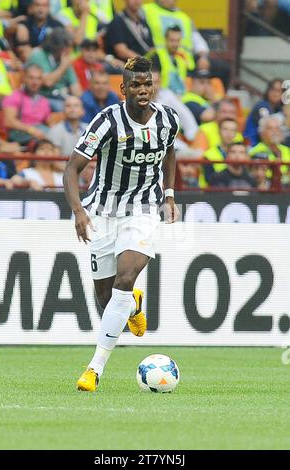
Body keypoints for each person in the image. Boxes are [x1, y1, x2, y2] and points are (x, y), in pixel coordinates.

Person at [63, 56, 180, 392]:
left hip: (143, 209)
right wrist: (78, 211)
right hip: (102, 211)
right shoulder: (106, 122)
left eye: (147, 84)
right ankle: (133, 303)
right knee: (106, 294)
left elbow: (169, 151)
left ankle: (94, 369)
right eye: (136, 85)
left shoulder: (168, 119)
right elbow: (71, 169)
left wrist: (168, 194)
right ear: (123, 88)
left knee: (125, 279)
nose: (143, 90)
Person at [27, 27, 82, 112]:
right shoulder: (38, 56)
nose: (69, 50)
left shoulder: (64, 59)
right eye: (67, 47)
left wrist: (78, 101)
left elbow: (77, 90)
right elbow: (47, 82)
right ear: (58, 46)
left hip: (62, 96)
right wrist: (63, 66)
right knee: (66, 109)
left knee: (82, 106)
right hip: (43, 97)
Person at [2, 64, 51, 145]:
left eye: (38, 78)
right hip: (20, 136)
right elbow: (9, 121)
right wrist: (31, 130)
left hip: (39, 135)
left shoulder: (44, 101)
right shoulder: (14, 96)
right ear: (24, 78)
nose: (35, 82)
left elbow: (48, 122)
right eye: (31, 78)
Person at [152, 69, 198, 141]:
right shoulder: (138, 100)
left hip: (171, 142)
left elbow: (185, 115)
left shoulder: (167, 95)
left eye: (157, 82)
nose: (154, 86)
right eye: (151, 83)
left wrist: (192, 137)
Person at [149, 25, 191, 96]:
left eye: (177, 40)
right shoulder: (157, 55)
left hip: (181, 94)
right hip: (162, 94)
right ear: (165, 40)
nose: (175, 44)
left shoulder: (182, 57)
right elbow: (153, 81)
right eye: (172, 40)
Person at [249, 114, 290, 186]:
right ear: (261, 133)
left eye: (277, 128)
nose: (274, 131)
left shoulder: (287, 150)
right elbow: (260, 175)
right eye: (270, 128)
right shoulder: (256, 152)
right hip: (268, 188)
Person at [200, 118, 239, 187]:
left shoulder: (241, 154)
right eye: (225, 129)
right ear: (218, 131)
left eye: (233, 130)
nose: (229, 133)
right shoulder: (208, 156)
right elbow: (209, 180)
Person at [244, 79, 283, 146]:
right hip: (253, 145)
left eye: (279, 91)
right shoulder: (261, 106)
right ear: (268, 91)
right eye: (272, 89)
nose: (275, 93)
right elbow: (269, 130)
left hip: (266, 146)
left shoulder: (279, 108)